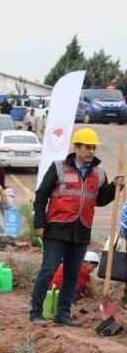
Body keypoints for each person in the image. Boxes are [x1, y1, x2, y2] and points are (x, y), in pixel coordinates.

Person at [30, 128, 121, 326]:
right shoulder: (59, 168)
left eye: (93, 148)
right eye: (87, 147)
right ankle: (36, 312)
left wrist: (114, 187)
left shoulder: (99, 173)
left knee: (72, 274)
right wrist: (39, 223)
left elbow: (100, 200)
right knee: (48, 270)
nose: (91, 151)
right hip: (57, 228)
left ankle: (63, 314)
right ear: (76, 148)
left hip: (81, 230)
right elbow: (41, 196)